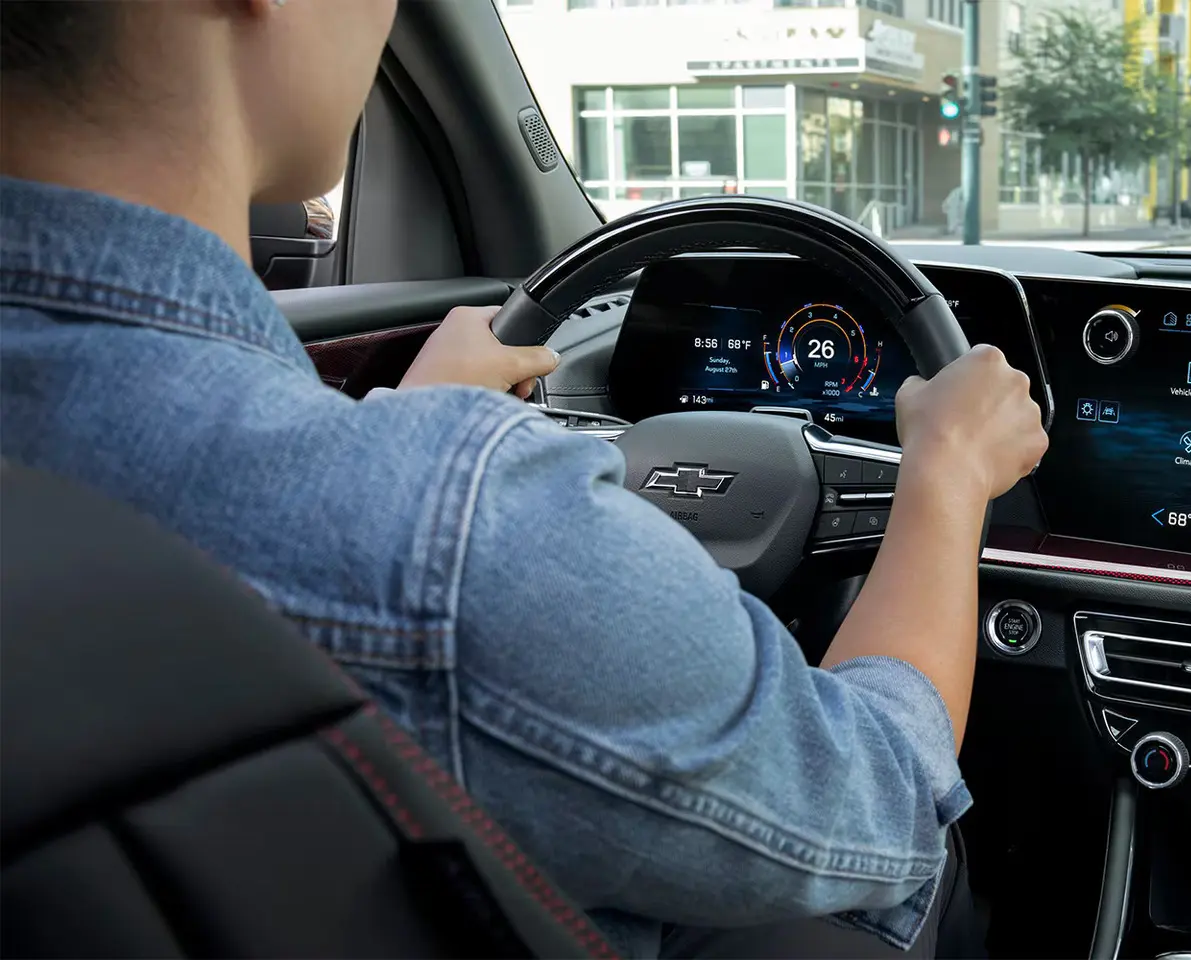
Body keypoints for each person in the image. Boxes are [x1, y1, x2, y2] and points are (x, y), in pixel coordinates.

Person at [0, 2, 1047, 957]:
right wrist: (944, 481)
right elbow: (882, 802)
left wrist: (402, 432)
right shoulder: (457, 527)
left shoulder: (390, 483)